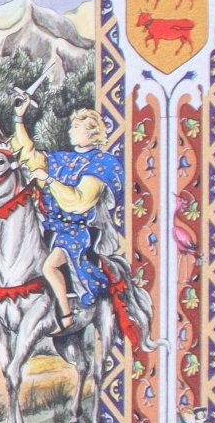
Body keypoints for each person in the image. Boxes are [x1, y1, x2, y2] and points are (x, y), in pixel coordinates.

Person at [10, 99, 134, 341]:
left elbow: (79, 202)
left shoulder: (102, 165)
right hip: (55, 227)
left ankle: (66, 317)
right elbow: (30, 156)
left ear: (92, 132)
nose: (71, 131)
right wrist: (19, 118)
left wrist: (49, 180)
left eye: (76, 127)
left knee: (49, 266)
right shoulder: (64, 159)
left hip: (80, 232)